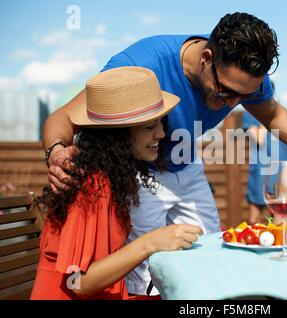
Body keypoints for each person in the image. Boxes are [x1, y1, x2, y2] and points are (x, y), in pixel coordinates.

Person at [41, 12, 287, 295]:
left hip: (185, 164)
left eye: (244, 97)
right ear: (206, 59)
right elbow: (64, 118)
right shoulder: (138, 68)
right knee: (144, 275)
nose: (233, 104)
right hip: (136, 171)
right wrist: (57, 152)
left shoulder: (241, 81)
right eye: (226, 92)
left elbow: (274, 115)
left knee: (210, 253)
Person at [31, 67, 203, 300]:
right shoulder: (91, 184)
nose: (162, 134)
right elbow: (77, 282)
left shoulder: (111, 177)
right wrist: (151, 242)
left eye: (161, 123)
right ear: (118, 136)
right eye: (150, 127)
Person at [242, 82, 287, 224]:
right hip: (261, 171)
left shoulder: (281, 114)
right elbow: (259, 139)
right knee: (255, 218)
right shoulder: (249, 116)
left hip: (282, 168)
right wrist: (267, 116)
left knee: (280, 217)